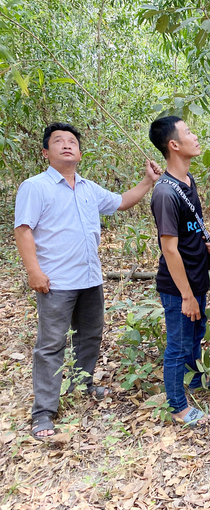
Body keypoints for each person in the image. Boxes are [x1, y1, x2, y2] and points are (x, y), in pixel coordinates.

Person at [14, 122, 162, 439]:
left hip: (89, 278)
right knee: (51, 345)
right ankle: (43, 413)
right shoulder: (35, 187)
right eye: (58, 141)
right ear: (45, 152)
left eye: (72, 142)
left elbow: (122, 201)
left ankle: (83, 385)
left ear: (80, 153)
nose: (67, 145)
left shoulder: (88, 188)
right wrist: (33, 271)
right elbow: (23, 229)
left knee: (90, 336)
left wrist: (148, 181)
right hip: (56, 281)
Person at [149, 116, 210, 427]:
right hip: (179, 287)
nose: (195, 135)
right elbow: (169, 248)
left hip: (198, 276)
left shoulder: (189, 183)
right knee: (178, 346)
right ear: (174, 145)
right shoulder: (165, 193)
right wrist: (186, 296)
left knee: (195, 336)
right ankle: (178, 406)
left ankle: (195, 381)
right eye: (189, 131)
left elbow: (189, 232)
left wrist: (207, 244)